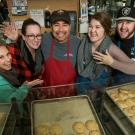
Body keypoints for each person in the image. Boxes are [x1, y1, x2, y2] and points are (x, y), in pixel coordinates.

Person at [76, 12, 135, 95]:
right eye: (90, 26)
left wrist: (111, 62)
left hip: (99, 94)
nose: (92, 30)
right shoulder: (82, 42)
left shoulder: (111, 48)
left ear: (105, 30)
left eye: (97, 27)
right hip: (81, 92)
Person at [41, 9, 81, 98]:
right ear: (51, 27)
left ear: (70, 26)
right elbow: (29, 43)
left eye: (65, 25)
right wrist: (16, 38)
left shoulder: (78, 43)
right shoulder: (43, 39)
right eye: (56, 25)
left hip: (69, 96)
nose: (60, 30)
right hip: (48, 96)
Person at [0, 43, 43, 113]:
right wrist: (25, 87)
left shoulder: (10, 72)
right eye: (1, 57)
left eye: (8, 54)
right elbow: (10, 103)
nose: (8, 59)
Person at [111, 6, 135, 85]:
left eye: (128, 22)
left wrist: (112, 62)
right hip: (115, 87)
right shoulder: (112, 41)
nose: (123, 27)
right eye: (120, 22)